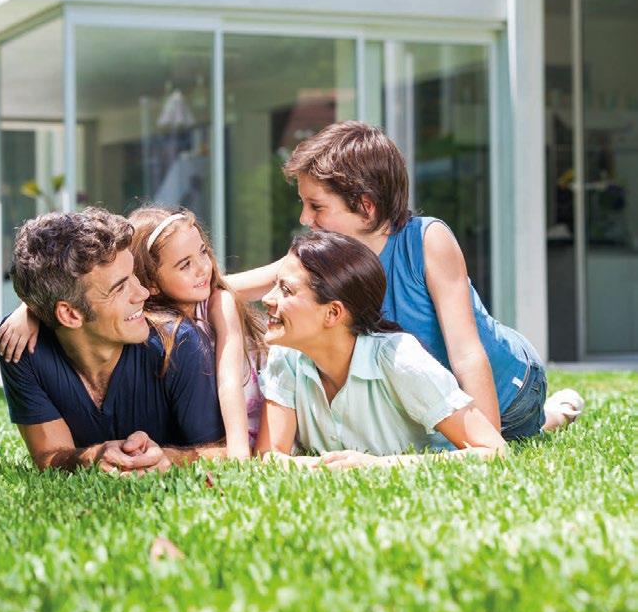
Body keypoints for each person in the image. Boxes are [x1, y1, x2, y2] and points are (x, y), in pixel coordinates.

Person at [231, 121, 584, 442]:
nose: (305, 217)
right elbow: (244, 285)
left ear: (366, 207)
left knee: (514, 434)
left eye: (317, 206)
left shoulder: (427, 241)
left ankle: (553, 413)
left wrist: (486, 440)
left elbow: (466, 352)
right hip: (435, 397)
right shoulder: (329, 256)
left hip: (509, 389)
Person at [0, 205, 266, 459]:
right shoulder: (20, 344)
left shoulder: (184, 338)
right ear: (68, 314)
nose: (143, 293)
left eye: (134, 276)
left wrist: (171, 459)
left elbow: (223, 452)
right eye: (120, 287)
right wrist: (30, 307)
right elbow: (49, 457)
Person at [257, 231, 507, 468]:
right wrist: (317, 466)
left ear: (333, 313)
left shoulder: (399, 360)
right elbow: (269, 456)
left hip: (516, 393)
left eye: (286, 290)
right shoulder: (286, 354)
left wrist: (377, 466)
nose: (267, 298)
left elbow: (494, 450)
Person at [128, 205, 266, 458]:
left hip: (244, 426)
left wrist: (239, 455)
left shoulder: (218, 303)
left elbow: (229, 382)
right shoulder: (146, 323)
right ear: (151, 283)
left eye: (203, 252)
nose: (203, 267)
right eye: (185, 265)